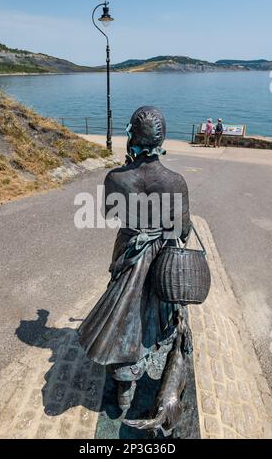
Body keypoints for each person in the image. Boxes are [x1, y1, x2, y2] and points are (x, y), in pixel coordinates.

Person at [78, 106, 191, 414]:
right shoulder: (175, 181)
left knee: (121, 310)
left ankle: (123, 382)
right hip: (160, 257)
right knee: (150, 313)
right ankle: (141, 366)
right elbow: (183, 230)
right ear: (161, 139)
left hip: (128, 250)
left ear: (131, 138)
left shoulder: (116, 177)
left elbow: (111, 214)